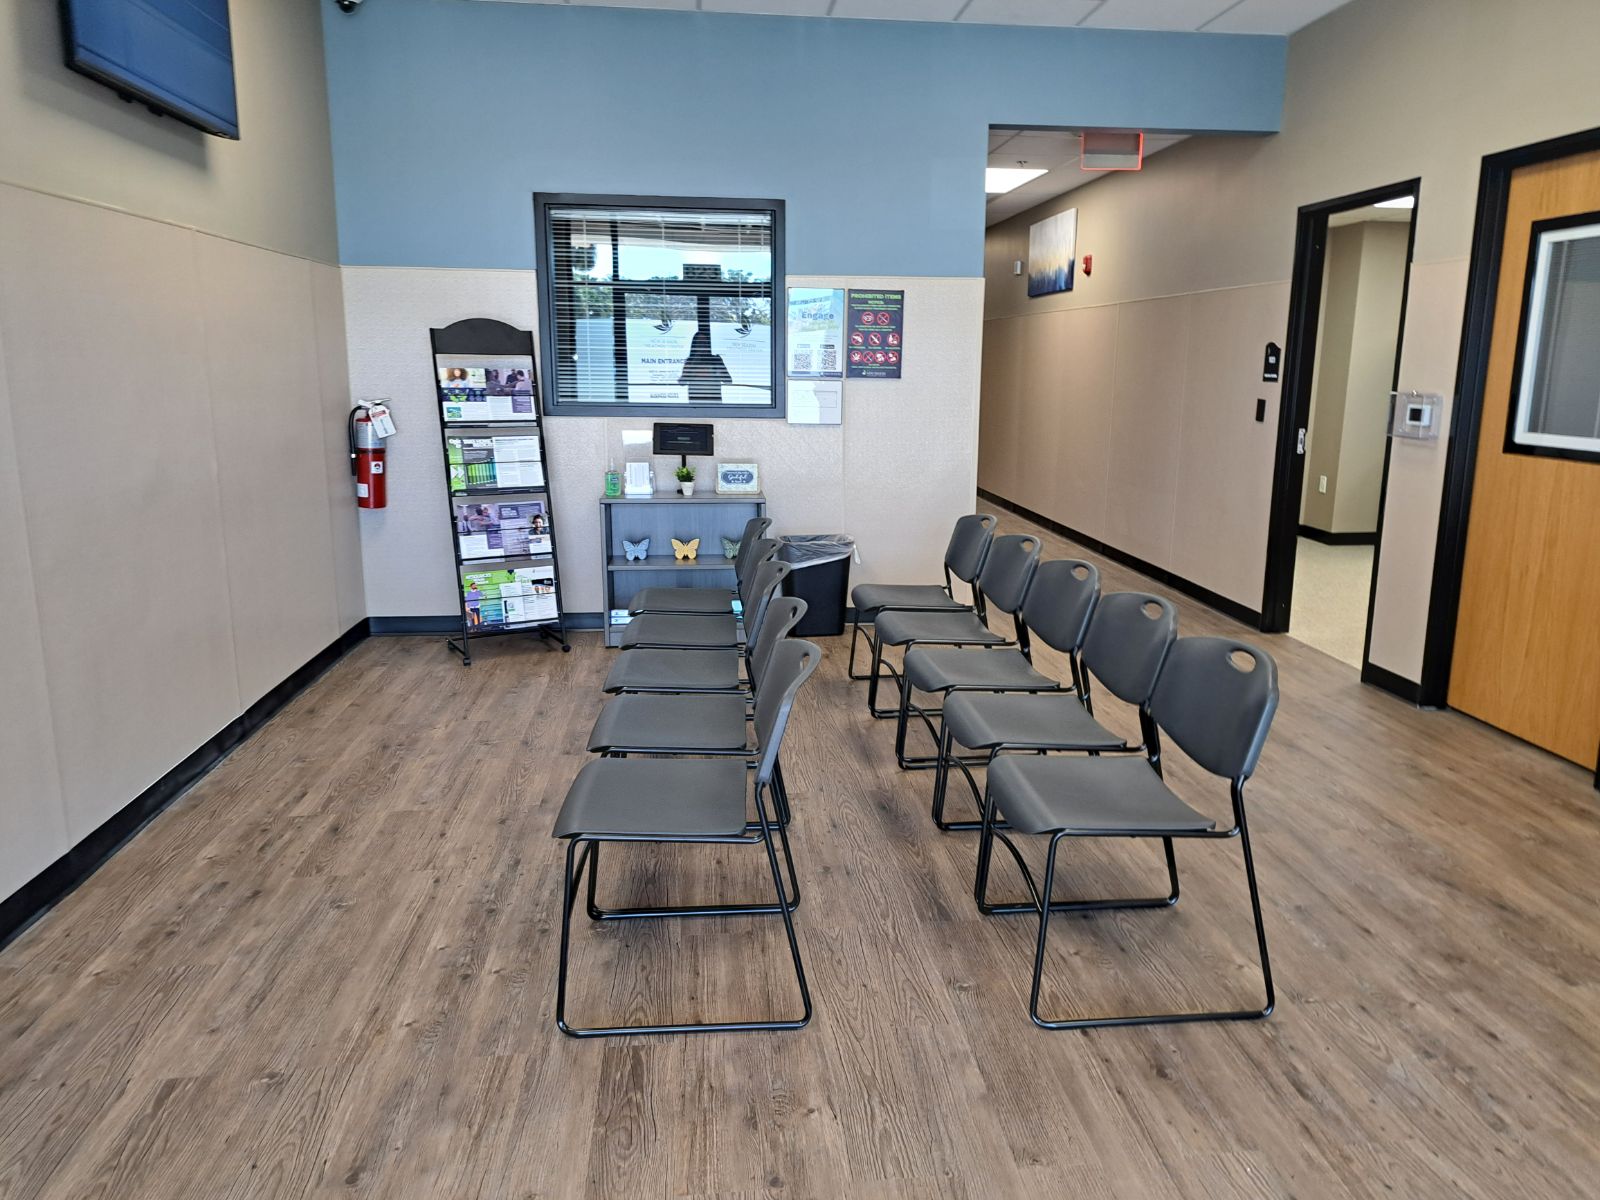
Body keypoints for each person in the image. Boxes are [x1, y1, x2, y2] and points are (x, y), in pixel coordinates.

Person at [678, 330, 731, 404]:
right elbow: (682, 382)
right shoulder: (690, 361)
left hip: (714, 401)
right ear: (695, 345)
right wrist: (694, 362)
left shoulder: (716, 359)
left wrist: (718, 369)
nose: (702, 345)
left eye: (704, 343)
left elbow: (728, 381)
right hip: (696, 402)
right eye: (700, 343)